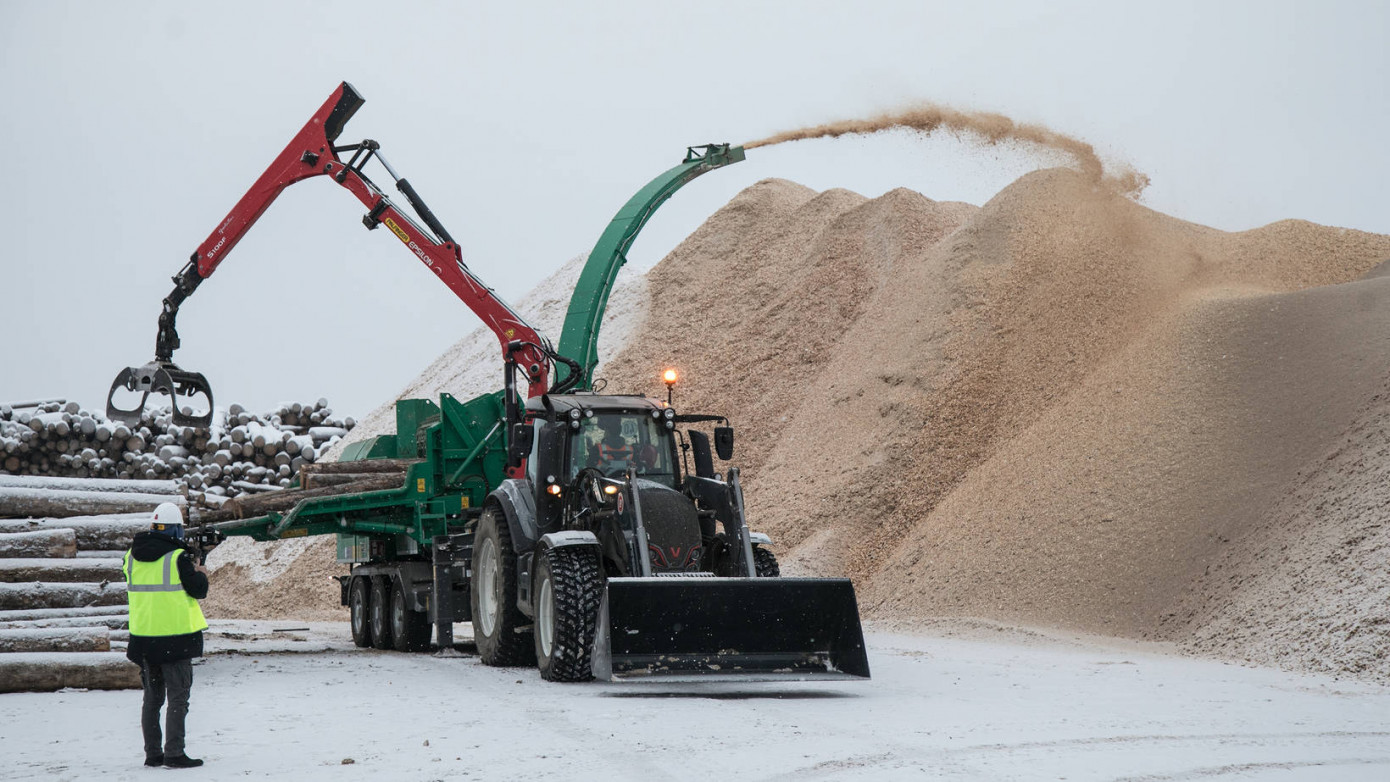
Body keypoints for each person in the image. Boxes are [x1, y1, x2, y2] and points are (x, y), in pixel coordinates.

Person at [123, 502, 210, 769]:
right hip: (176, 638)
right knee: (178, 697)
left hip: (144, 638)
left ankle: (153, 754)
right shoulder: (178, 558)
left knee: (152, 699)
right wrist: (201, 572)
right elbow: (198, 590)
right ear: (176, 530)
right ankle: (174, 753)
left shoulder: (131, 556)